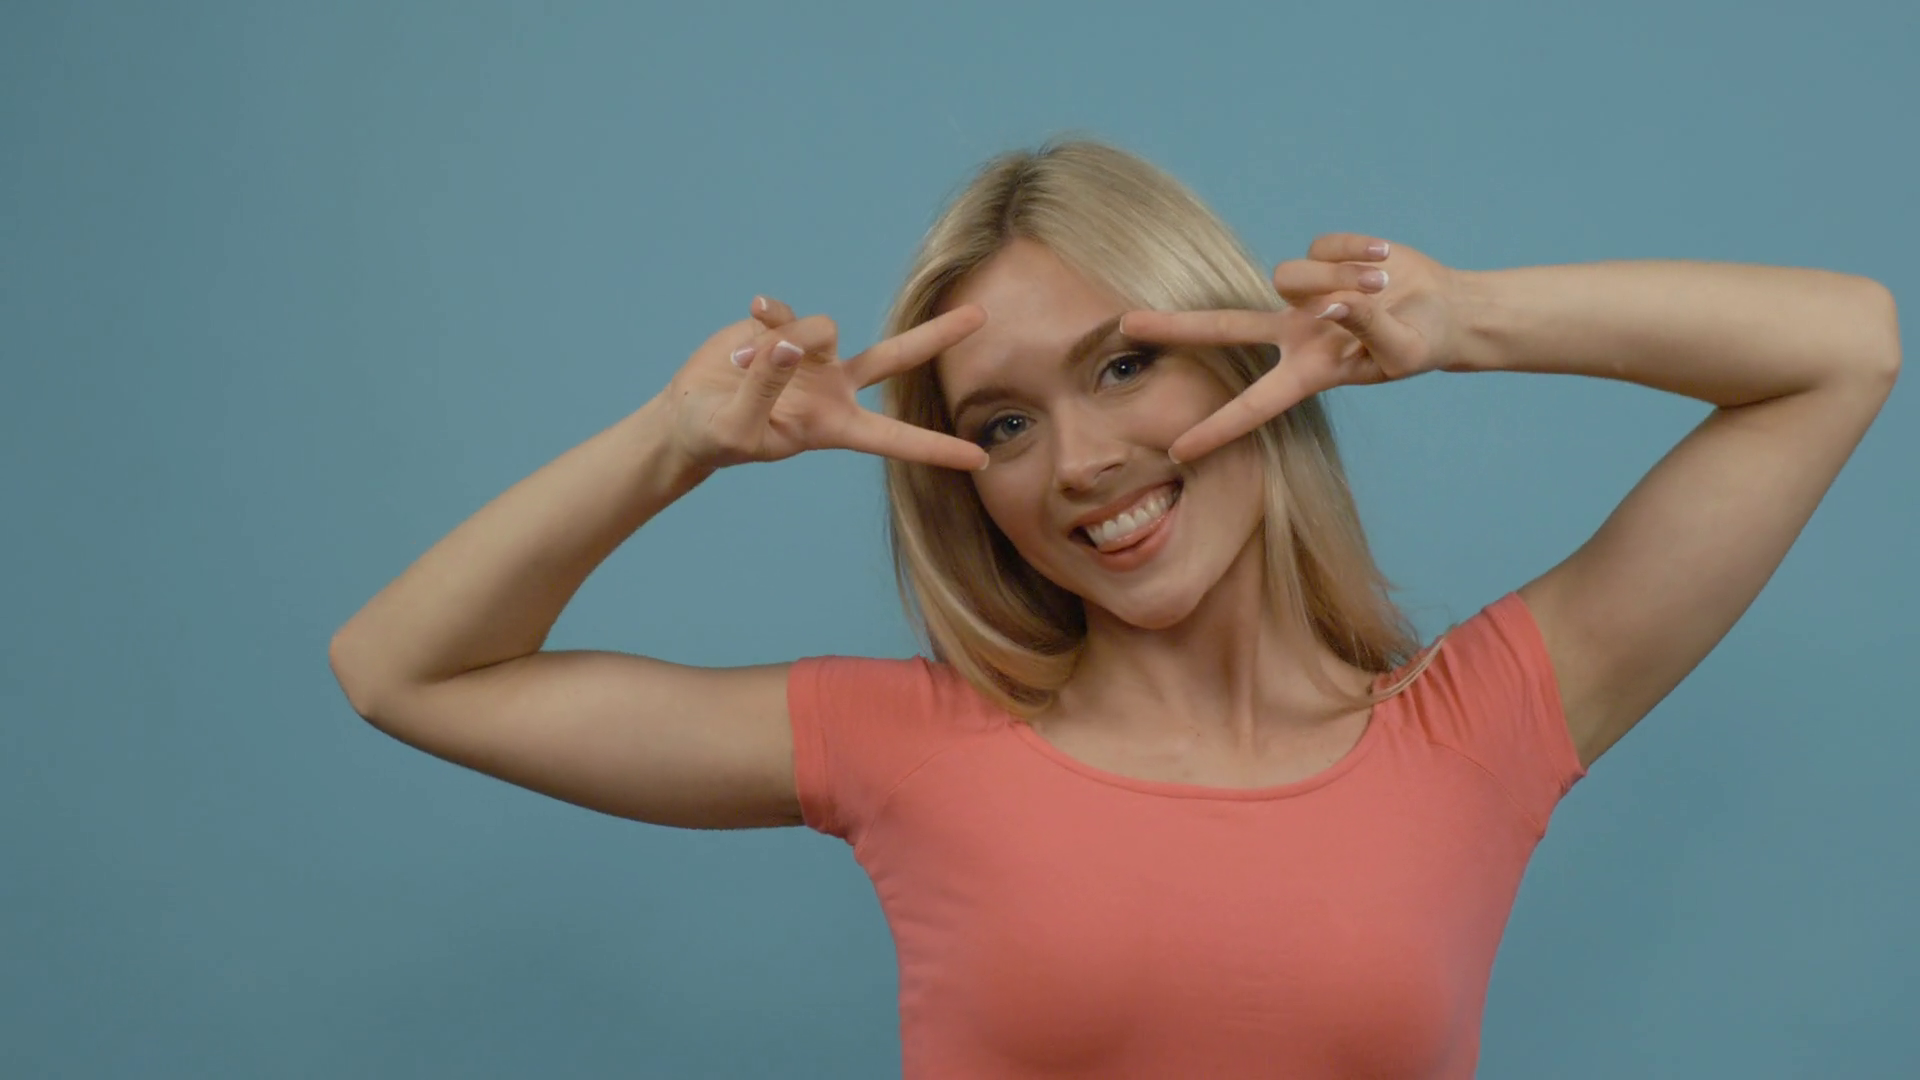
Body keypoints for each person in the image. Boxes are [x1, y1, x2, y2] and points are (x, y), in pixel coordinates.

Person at [327, 140, 1901, 1078]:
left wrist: (1469, 318)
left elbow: (1844, 348)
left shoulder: (1478, 730)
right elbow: (404, 670)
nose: (1080, 461)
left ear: (1242, 354)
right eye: (1005, 423)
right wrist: (677, 442)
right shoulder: (909, 744)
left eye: (1124, 364)